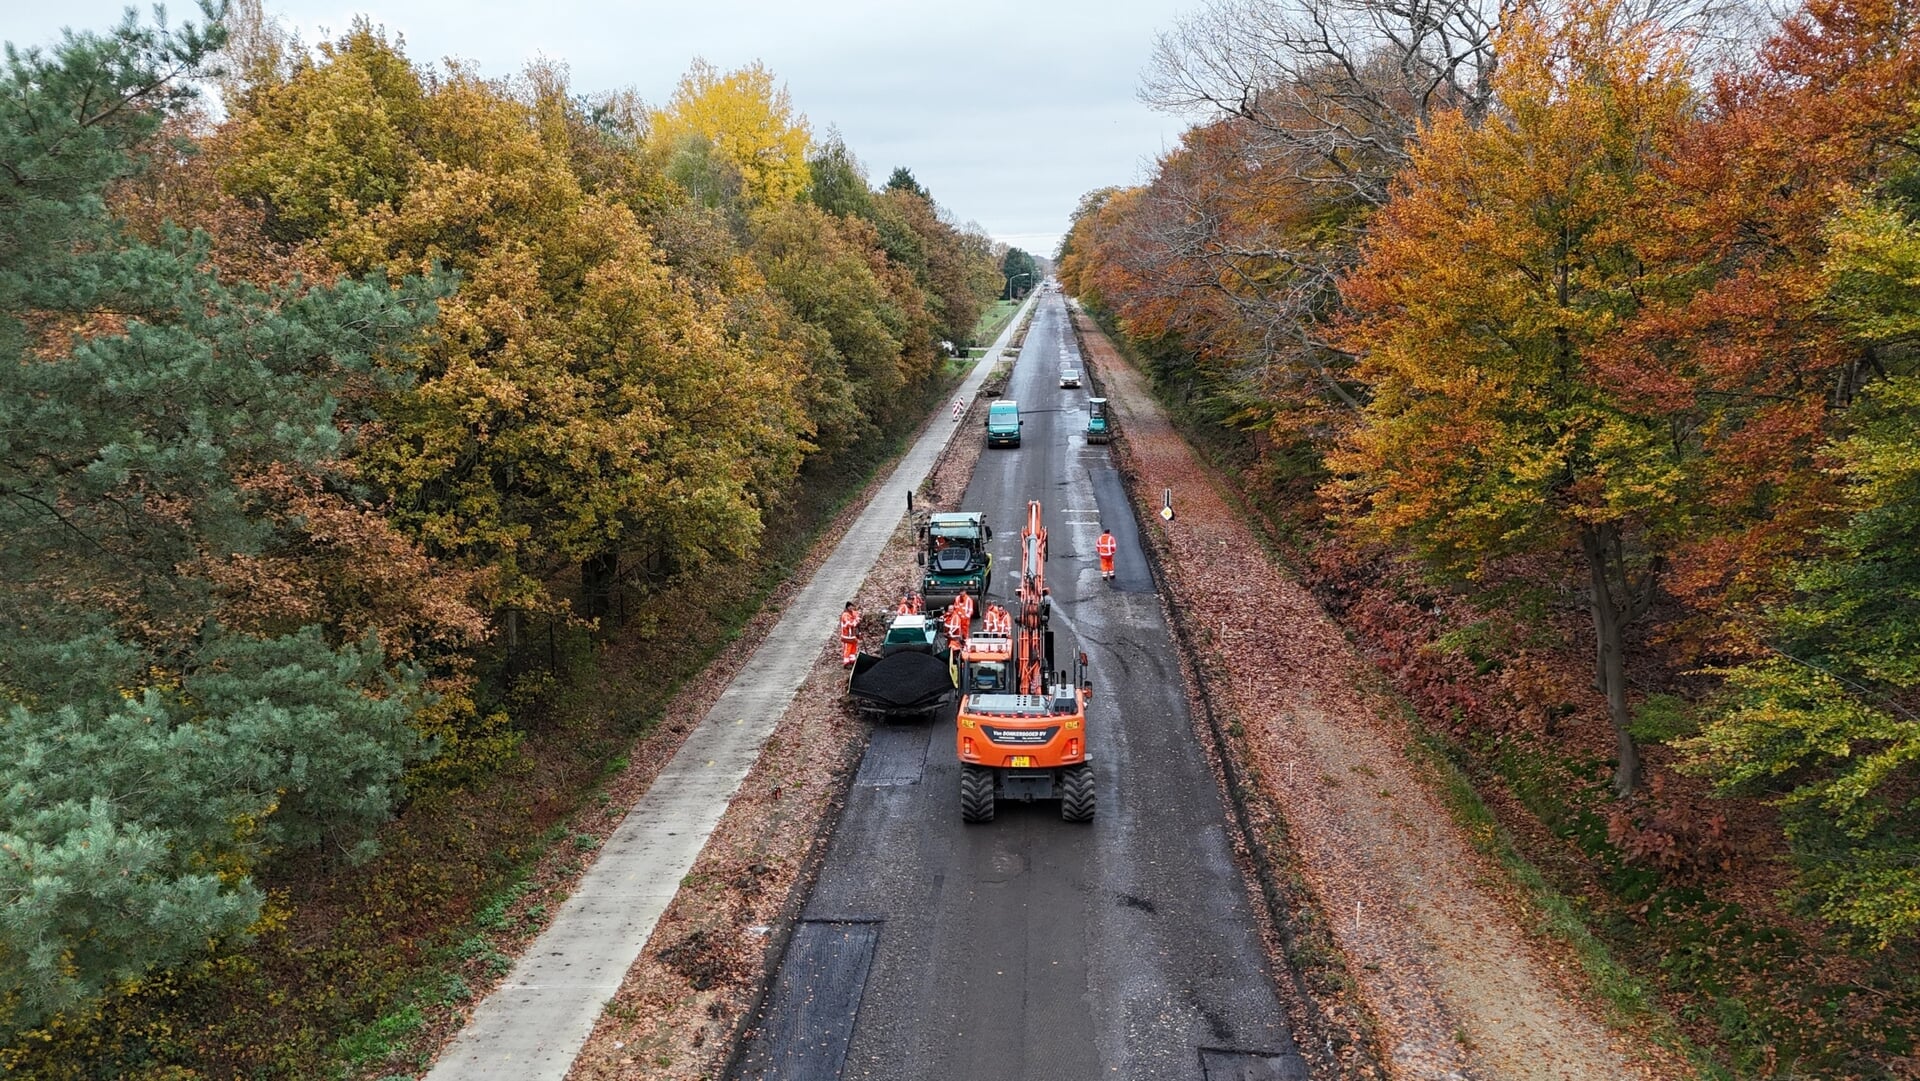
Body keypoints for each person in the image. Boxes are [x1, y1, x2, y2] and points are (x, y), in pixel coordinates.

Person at [838, 602, 862, 667]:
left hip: (854, 634)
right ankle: (846, 662)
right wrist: (855, 622)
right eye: (850, 607)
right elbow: (848, 624)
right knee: (848, 648)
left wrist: (857, 620)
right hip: (847, 635)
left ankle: (852, 660)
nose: (851, 608)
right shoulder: (845, 615)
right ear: (847, 607)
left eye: (852, 606)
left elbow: (858, 618)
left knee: (854, 647)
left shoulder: (854, 613)